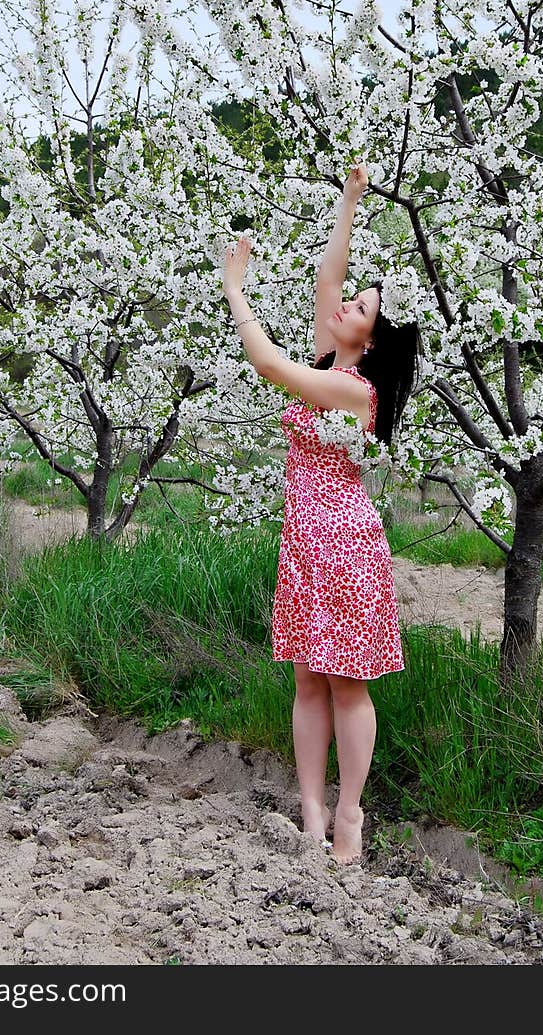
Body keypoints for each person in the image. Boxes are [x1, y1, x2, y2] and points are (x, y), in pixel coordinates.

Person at [221, 163, 421, 865]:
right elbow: (326, 282)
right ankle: (309, 808)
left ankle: (349, 814)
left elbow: (272, 369)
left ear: (372, 339)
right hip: (303, 540)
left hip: (344, 542)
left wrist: (236, 292)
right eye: (353, 302)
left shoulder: (353, 390)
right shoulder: (329, 358)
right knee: (308, 676)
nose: (344, 308)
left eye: (361, 310)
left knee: (346, 680)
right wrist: (350, 200)